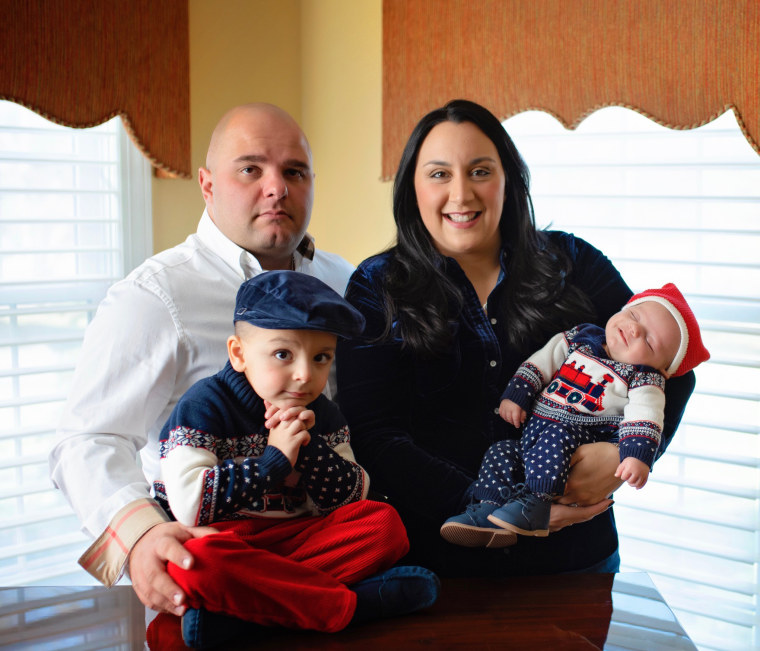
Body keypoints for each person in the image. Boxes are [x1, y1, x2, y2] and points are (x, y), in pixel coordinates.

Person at [335, 99, 696, 576]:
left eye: (480, 170)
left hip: (575, 562)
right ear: (412, 189)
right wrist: (491, 507)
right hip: (436, 564)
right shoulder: (375, 286)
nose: (461, 194)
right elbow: (373, 435)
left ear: (508, 178)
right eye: (439, 174)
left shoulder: (574, 262)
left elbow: (672, 369)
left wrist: (618, 458)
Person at [49, 103, 355, 617]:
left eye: (294, 172)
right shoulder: (156, 296)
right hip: (215, 566)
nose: (276, 187)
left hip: (323, 547)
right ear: (208, 184)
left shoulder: (345, 285)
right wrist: (142, 534)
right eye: (251, 168)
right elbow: (85, 438)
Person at [153, 271, 438, 649]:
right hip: (230, 543)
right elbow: (190, 508)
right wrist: (273, 462)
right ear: (238, 354)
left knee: (386, 526)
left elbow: (355, 496)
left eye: (321, 358)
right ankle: (351, 607)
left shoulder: (323, 413)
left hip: (299, 540)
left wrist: (308, 453)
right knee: (193, 562)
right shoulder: (205, 405)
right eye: (282, 354)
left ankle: (245, 611)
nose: (304, 375)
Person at [441, 283, 709, 547]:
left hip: (577, 439)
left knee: (557, 435)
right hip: (532, 438)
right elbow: (542, 361)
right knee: (501, 452)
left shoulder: (642, 379)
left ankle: (537, 502)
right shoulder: (579, 339)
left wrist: (637, 457)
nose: (635, 329)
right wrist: (517, 395)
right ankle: (486, 510)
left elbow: (645, 417)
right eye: (634, 315)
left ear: (662, 369)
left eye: (650, 341)